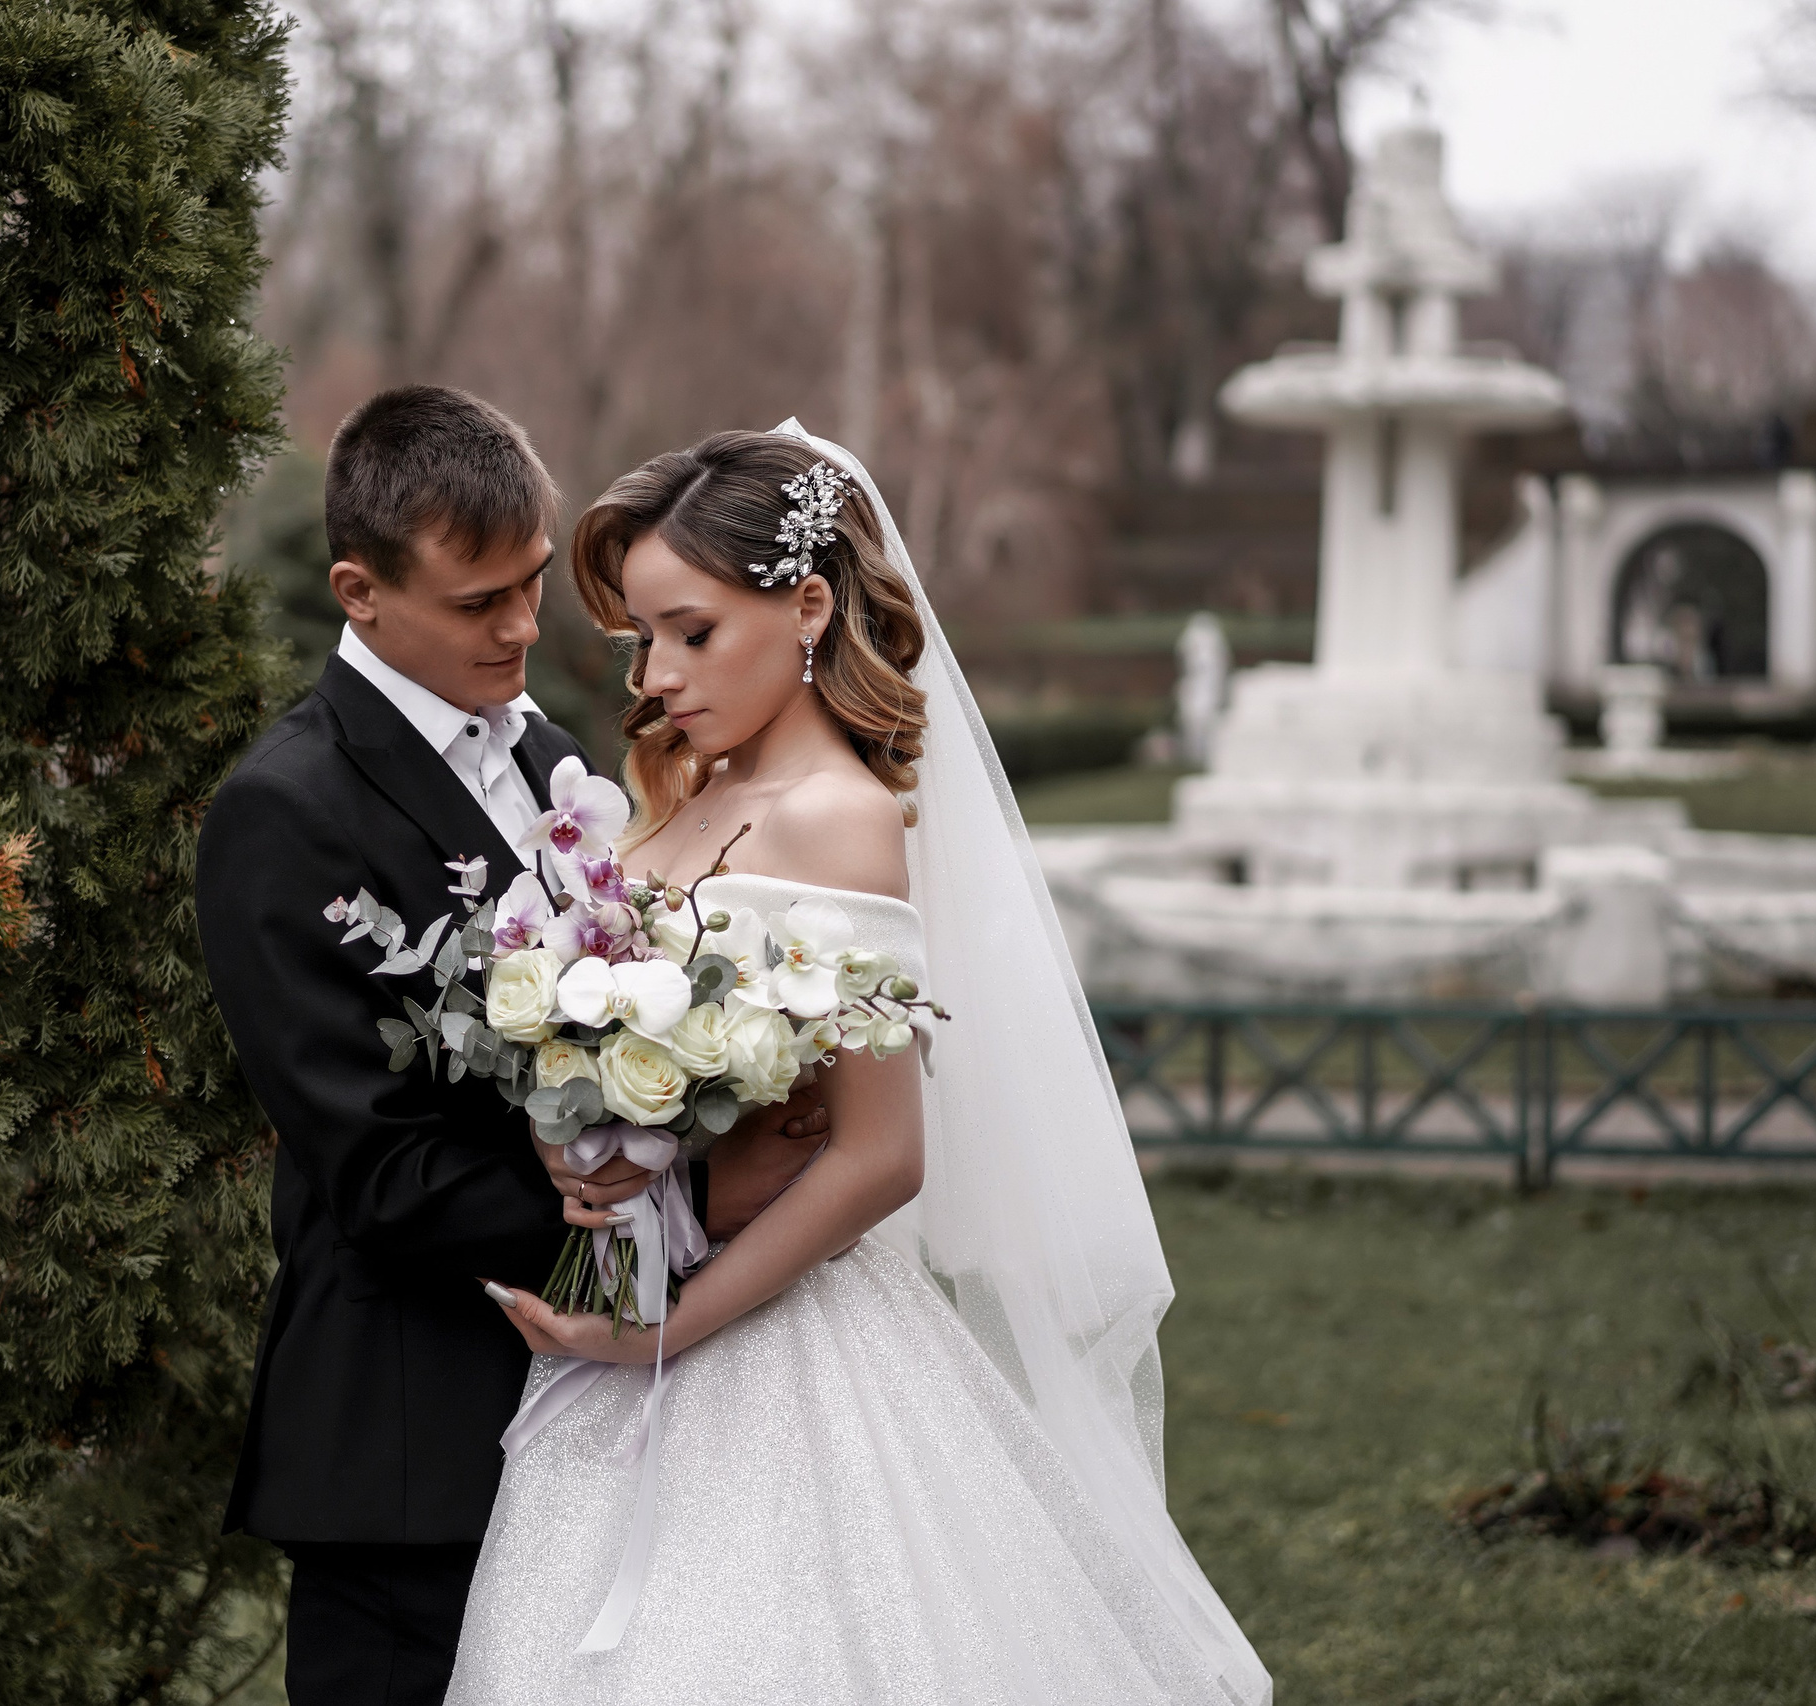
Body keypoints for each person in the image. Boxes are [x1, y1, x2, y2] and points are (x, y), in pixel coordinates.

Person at [446, 426, 1270, 1705]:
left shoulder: (838, 816)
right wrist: (576, 1124)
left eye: (692, 632)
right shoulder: (689, 793)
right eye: (642, 642)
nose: (658, 675)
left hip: (769, 1347)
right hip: (622, 1302)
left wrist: (664, 1328)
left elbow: (881, 1154)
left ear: (809, 606)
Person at [194, 387, 826, 1706]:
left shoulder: (546, 752)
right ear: (360, 592)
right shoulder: (283, 810)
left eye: (534, 583)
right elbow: (375, 1173)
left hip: (591, 1417)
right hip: (409, 1444)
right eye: (482, 602)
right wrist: (682, 1200)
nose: (526, 626)